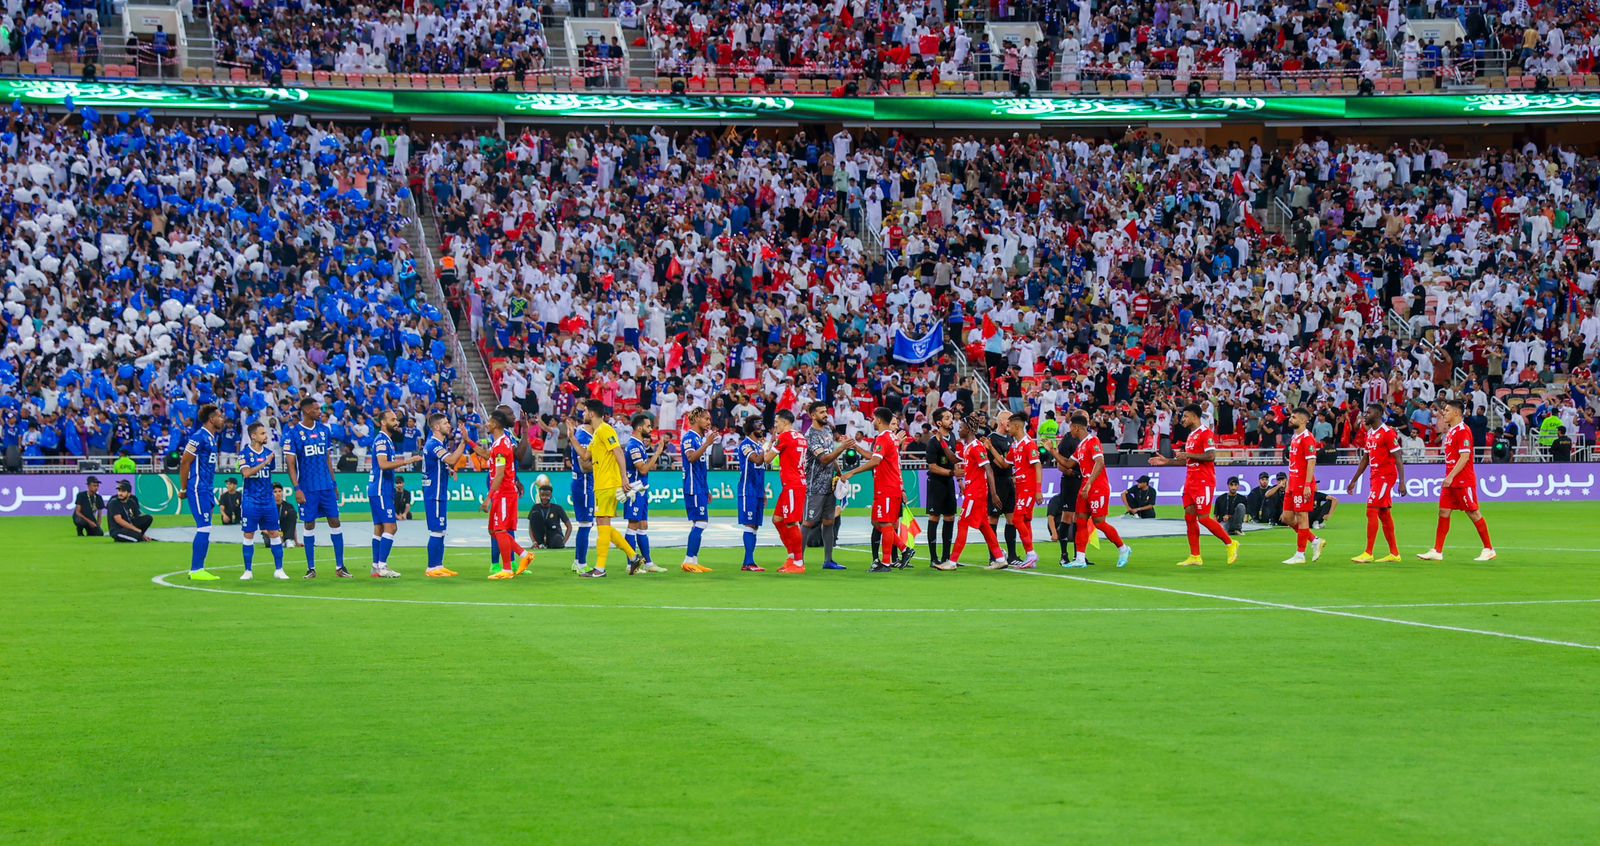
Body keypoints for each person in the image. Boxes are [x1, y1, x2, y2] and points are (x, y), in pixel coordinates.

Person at [1149, 404, 1239, 566]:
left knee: (1203, 518)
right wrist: (1167, 461)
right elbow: (1186, 460)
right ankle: (1195, 556)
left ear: (1195, 417)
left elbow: (1211, 456)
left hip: (1204, 481)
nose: (1182, 419)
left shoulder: (1206, 433)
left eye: (1185, 416)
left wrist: (1188, 454)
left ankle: (1230, 543)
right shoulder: (1191, 436)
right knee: (1189, 517)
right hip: (1190, 482)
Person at [572, 399, 643, 577]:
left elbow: (618, 451)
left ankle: (600, 568)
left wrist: (624, 476)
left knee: (602, 525)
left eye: (585, 411)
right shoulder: (597, 433)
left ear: (591, 413)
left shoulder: (605, 429)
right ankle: (633, 556)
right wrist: (572, 437)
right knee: (603, 525)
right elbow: (585, 455)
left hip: (608, 483)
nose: (583, 414)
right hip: (601, 484)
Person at [1419, 399, 1496, 561]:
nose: (1444, 413)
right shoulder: (1452, 430)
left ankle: (1489, 549)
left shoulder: (1463, 430)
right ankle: (1437, 551)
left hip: (1462, 480)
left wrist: (1451, 476)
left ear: (1456, 413)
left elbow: (1465, 456)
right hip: (1451, 480)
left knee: (1473, 512)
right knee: (1444, 511)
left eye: (1446, 411)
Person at [284, 397, 349, 579]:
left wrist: (334, 483)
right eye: (316, 409)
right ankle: (311, 568)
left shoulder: (324, 430)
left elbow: (328, 459)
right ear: (306, 411)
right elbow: (290, 464)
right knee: (309, 524)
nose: (320, 412)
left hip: (326, 487)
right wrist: (297, 488)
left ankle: (340, 566)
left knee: (335, 522)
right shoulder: (293, 434)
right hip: (308, 488)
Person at [470, 408, 535, 579]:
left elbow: (499, 474)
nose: (487, 424)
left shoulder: (501, 445)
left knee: (500, 530)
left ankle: (507, 568)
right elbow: (486, 455)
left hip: (504, 492)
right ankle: (523, 555)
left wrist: (488, 499)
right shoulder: (500, 442)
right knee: (495, 530)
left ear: (496, 424)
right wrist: (468, 440)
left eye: (489, 421)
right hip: (503, 492)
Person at [1064, 412, 1132, 568]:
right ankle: (1080, 558)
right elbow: (1068, 464)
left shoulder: (1093, 441)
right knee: (1080, 521)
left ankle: (1123, 548)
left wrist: (1088, 484)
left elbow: (1100, 463)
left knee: (1099, 522)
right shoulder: (1080, 446)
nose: (1070, 432)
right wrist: (1051, 451)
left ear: (1076, 427)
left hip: (1097, 486)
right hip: (1085, 486)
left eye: (1071, 429)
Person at [846, 407, 910, 572]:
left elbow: (875, 462)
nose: (872, 421)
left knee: (885, 523)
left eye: (873, 418)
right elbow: (874, 457)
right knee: (877, 522)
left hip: (888, 487)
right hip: (886, 486)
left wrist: (852, 472)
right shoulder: (890, 437)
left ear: (879, 420)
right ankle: (905, 549)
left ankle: (886, 563)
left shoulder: (884, 437)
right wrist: (856, 447)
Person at [1347, 404, 1405, 563]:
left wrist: (1402, 482)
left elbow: (1398, 457)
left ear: (1378, 414)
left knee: (1371, 509)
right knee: (1384, 513)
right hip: (1375, 477)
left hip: (1386, 476)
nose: (1365, 415)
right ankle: (1394, 553)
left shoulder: (1387, 433)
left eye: (1368, 412)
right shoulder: (1369, 433)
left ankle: (1368, 552)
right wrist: (1354, 481)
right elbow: (1365, 459)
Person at [948, 413, 1006, 571]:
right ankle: (1000, 558)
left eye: (960, 427)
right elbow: (954, 459)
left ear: (968, 429)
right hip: (972, 490)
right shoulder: (968, 447)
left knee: (963, 523)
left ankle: (952, 562)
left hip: (976, 492)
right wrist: (941, 442)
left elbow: (988, 469)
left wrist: (993, 494)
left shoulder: (976, 447)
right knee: (984, 525)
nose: (958, 430)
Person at [368, 409, 422, 579]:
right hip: (381, 489)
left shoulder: (387, 440)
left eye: (397, 420)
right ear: (383, 422)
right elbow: (383, 464)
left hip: (379, 489)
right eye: (392, 420)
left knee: (379, 528)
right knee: (391, 527)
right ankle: (382, 567)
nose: (397, 422)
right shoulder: (382, 441)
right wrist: (407, 461)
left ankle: (376, 566)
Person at [177, 404, 225, 581]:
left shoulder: (212, 438)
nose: (222, 419)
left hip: (207, 488)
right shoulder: (198, 437)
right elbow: (184, 462)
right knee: (204, 527)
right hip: (198, 488)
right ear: (211, 419)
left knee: (206, 527)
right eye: (219, 416)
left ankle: (199, 568)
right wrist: (183, 488)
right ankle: (196, 570)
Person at [803, 402, 851, 571]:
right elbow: (823, 459)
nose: (826, 414)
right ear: (812, 415)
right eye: (821, 412)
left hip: (830, 484)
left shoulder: (827, 431)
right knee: (808, 522)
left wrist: (839, 473)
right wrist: (843, 447)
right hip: (814, 485)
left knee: (829, 521)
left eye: (826, 411)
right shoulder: (810, 435)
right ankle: (798, 561)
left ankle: (828, 560)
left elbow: (832, 458)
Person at [238, 422, 287, 579]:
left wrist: (267, 462)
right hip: (251, 500)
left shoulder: (269, 453)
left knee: (274, 533)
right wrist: (263, 463)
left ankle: (279, 569)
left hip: (268, 500)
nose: (266, 436)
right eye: (262, 433)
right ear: (253, 436)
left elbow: (269, 470)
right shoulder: (243, 454)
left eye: (265, 433)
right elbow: (246, 473)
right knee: (249, 534)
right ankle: (248, 571)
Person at [421, 413, 468, 577]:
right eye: (446, 423)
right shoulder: (434, 445)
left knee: (441, 530)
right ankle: (431, 567)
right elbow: (452, 459)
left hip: (438, 493)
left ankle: (438, 565)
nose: (449, 425)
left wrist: (448, 471)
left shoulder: (436, 445)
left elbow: (442, 464)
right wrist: (464, 441)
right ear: (436, 427)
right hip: (434, 494)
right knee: (436, 530)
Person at [622, 413, 668, 573]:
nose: (651, 429)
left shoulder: (639, 445)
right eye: (648, 426)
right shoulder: (634, 446)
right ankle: (631, 564)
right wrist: (657, 452)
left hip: (641, 490)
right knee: (633, 525)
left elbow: (647, 467)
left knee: (642, 525)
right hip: (634, 490)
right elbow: (642, 468)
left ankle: (648, 563)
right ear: (640, 427)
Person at [1281, 407, 1326, 565]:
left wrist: (1307, 485)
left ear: (1303, 420)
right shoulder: (1295, 437)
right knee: (1286, 517)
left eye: (1293, 417)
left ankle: (1300, 554)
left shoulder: (1307, 438)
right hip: (1292, 482)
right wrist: (1288, 483)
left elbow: (1311, 462)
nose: (1290, 419)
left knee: (1302, 516)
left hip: (1302, 483)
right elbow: (1293, 462)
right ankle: (1314, 540)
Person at [1043, 427, 1087, 568]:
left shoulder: (1085, 440)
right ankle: (1064, 555)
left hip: (1082, 481)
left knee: (1079, 518)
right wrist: (1072, 473)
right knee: (1067, 517)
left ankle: (1078, 555)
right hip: (1070, 483)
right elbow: (1060, 465)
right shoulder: (1067, 440)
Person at [922, 408, 960, 569]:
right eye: (947, 418)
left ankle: (947, 557)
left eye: (951, 417)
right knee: (934, 517)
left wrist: (959, 479)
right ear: (939, 423)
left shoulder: (952, 438)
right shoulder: (933, 442)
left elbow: (954, 460)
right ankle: (933, 558)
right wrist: (952, 472)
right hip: (936, 483)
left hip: (949, 483)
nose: (951, 420)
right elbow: (932, 467)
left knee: (950, 517)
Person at [1003, 413, 1041, 568]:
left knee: (1017, 519)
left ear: (1017, 426)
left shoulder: (1029, 444)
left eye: (1010, 425)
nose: (1008, 428)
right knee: (1025, 521)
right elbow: (1005, 464)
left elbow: (1037, 465)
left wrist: (1038, 490)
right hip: (1020, 488)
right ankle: (1029, 557)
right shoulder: (1015, 445)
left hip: (1029, 488)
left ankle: (1031, 553)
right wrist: (990, 448)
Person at [679, 407, 714, 573]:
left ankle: (693, 560)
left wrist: (706, 489)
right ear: (696, 419)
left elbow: (701, 468)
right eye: (706, 419)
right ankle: (688, 560)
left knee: (701, 523)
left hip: (700, 487)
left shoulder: (700, 439)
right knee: (700, 522)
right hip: (692, 487)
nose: (709, 422)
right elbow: (691, 458)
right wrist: (707, 444)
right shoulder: (689, 438)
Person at [735, 418, 769, 572]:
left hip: (757, 491)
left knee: (754, 525)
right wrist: (766, 447)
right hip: (747, 490)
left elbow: (760, 469)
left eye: (762, 424)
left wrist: (763, 493)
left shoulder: (757, 446)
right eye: (758, 425)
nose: (761, 427)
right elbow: (756, 460)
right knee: (749, 524)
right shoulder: (746, 445)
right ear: (750, 427)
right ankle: (748, 562)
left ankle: (749, 561)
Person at [567, 408, 597, 574]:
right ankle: (581, 564)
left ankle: (578, 560)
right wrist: (603, 464)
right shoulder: (584, 436)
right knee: (585, 524)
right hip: (584, 483)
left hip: (584, 483)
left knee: (586, 523)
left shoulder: (582, 435)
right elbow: (585, 466)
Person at [529, 483, 573, 549]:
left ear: (551, 496)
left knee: (557, 540)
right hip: (540, 537)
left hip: (554, 535)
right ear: (539, 496)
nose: (544, 497)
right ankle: (540, 545)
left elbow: (569, 526)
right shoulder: (535, 508)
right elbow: (530, 527)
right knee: (535, 514)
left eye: (547, 495)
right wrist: (534, 542)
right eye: (542, 495)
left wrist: (563, 542)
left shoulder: (558, 508)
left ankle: (553, 544)